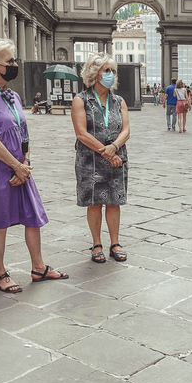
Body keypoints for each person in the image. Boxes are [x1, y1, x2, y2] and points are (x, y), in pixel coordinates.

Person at [0, 38, 67, 294]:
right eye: (9, 61)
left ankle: (38, 266)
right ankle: (0, 273)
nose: (14, 65)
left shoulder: (11, 94)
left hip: (21, 167)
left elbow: (23, 131)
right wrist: (15, 166)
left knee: (32, 217)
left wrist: (25, 162)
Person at [71, 53, 130, 263]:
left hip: (117, 158)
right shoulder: (80, 100)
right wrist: (105, 152)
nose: (111, 75)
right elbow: (81, 133)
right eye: (107, 71)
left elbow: (126, 130)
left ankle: (115, 242)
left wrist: (114, 147)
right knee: (94, 203)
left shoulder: (119, 101)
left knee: (114, 202)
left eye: (113, 71)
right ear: (95, 74)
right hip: (90, 160)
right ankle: (97, 243)